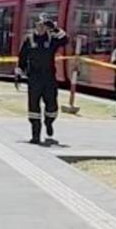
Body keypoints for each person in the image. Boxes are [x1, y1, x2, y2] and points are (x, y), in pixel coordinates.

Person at [17, 14, 69, 145]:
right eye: (39, 25)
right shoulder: (29, 39)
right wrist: (18, 73)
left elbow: (65, 40)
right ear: (35, 26)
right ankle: (35, 135)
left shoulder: (52, 39)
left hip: (49, 78)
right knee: (33, 108)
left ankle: (49, 122)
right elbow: (22, 57)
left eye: (43, 26)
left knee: (52, 106)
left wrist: (55, 28)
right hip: (34, 78)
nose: (41, 28)